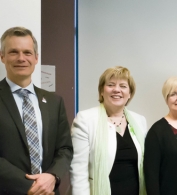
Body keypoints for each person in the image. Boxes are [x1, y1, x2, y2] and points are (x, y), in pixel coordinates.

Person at [0, 27, 73, 195]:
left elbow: (65, 149)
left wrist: (52, 176)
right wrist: (30, 186)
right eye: (13, 52)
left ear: (36, 58)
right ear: (2, 56)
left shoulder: (54, 102)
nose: (21, 58)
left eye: (27, 52)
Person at [70, 66, 147, 195]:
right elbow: (79, 172)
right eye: (111, 85)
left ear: (129, 94)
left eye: (123, 86)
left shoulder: (140, 121)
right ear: (101, 91)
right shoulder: (85, 119)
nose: (117, 90)